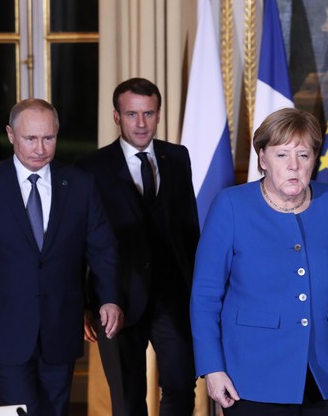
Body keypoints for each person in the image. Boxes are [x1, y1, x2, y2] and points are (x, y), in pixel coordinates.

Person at [190, 107, 328, 416]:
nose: (293, 166)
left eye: (303, 155)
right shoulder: (231, 205)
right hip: (253, 376)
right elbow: (204, 297)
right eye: (282, 155)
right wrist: (212, 369)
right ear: (262, 159)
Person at [0, 98, 123, 416]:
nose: (40, 148)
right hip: (4, 330)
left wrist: (109, 298)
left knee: (55, 410)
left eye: (48, 138)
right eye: (30, 138)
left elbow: (103, 249)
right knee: (23, 410)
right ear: (10, 134)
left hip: (60, 327)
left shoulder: (79, 184)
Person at [76, 78, 199, 416]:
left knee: (180, 385)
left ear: (158, 114)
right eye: (132, 114)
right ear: (117, 116)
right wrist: (85, 304)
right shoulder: (90, 169)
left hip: (174, 299)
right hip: (116, 300)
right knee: (128, 397)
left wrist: (200, 294)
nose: (141, 123)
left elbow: (190, 229)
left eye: (149, 113)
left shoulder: (177, 157)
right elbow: (79, 244)